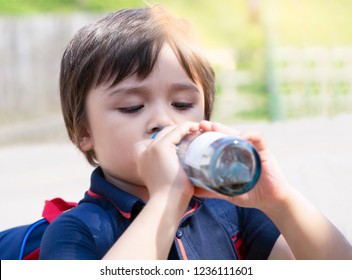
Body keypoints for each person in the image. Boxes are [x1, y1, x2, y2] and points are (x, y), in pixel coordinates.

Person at [40, 5, 352, 260]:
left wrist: (280, 202)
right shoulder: (76, 230)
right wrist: (166, 199)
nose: (163, 120)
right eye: (132, 107)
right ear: (84, 131)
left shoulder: (233, 211)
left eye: (182, 103)